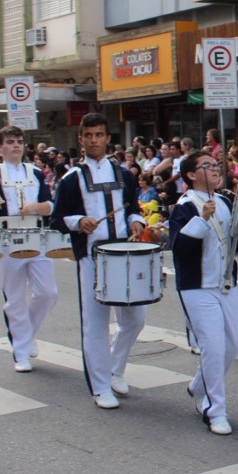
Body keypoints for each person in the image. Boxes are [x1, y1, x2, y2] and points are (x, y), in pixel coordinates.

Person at [51, 113, 147, 410]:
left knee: (135, 318)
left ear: (108, 138)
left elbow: (133, 207)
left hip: (124, 253)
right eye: (88, 135)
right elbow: (57, 219)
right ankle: (100, 386)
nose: (94, 140)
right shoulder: (71, 179)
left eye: (99, 135)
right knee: (96, 322)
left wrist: (136, 221)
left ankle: (115, 369)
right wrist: (79, 221)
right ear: (81, 139)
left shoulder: (125, 174)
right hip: (91, 258)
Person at [169, 151, 238, 435]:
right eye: (207, 166)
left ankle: (197, 386)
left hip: (225, 283)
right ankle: (215, 410)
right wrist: (202, 219)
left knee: (233, 343)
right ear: (191, 175)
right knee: (213, 348)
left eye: (216, 165)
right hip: (197, 286)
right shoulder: (184, 206)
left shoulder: (225, 201)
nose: (216, 170)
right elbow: (180, 250)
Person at [0, 126, 58, 373]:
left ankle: (25, 335)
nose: (16, 145)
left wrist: (36, 206)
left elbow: (50, 205)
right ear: (1, 147)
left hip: (37, 238)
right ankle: (22, 352)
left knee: (48, 292)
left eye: (20, 141)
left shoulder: (36, 173)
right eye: (11, 142)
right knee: (14, 299)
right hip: (6, 241)